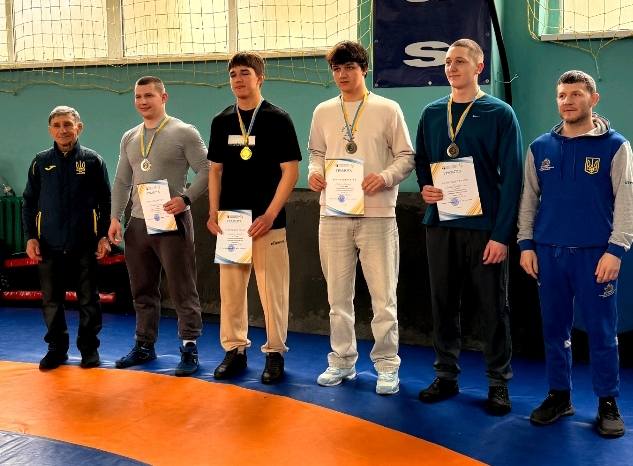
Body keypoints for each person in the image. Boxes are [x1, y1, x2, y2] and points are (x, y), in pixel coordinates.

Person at [518, 70, 632, 437]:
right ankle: (559, 395)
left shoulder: (616, 146)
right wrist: (525, 244)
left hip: (596, 256)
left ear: (593, 99)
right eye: (562, 95)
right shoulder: (540, 148)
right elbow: (528, 200)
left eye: (576, 94)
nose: (568, 101)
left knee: (602, 331)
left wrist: (616, 250)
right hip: (549, 254)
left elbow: (626, 201)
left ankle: (607, 401)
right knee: (554, 329)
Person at [415, 38, 523, 414]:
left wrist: (502, 235)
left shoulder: (500, 113)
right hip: (441, 223)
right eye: (447, 62)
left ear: (478, 67)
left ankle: (498, 381)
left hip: (485, 228)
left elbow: (513, 177)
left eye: (460, 61)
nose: (451, 67)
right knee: (443, 303)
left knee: (493, 307)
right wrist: (426, 188)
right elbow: (422, 162)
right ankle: (446, 374)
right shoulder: (432, 113)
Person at [308, 41, 415, 395]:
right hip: (333, 213)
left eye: (349, 67)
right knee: (337, 298)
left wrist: (384, 177)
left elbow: (406, 156)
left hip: (377, 215)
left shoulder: (387, 109)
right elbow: (316, 153)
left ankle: (387, 365)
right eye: (337, 69)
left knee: (383, 297)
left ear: (364, 69)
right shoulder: (323, 111)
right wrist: (314, 173)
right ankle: (342, 360)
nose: (342, 74)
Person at [207, 52, 301, 384]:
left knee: (273, 291)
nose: (238, 79)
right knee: (231, 291)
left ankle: (275, 352)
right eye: (233, 74)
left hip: (266, 221)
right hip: (231, 222)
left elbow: (291, 171)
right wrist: (213, 212)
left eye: (244, 73)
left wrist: (270, 213)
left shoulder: (278, 118)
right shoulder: (221, 120)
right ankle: (234, 350)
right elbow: (215, 170)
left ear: (260, 78)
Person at [109, 76, 209, 377]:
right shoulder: (130, 137)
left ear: (163, 97)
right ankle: (144, 344)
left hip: (171, 220)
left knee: (181, 287)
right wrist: (115, 217)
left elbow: (207, 170)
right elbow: (122, 181)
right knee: (142, 288)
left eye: (149, 96)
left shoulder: (184, 132)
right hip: (138, 224)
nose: (142, 101)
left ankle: (189, 346)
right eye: (138, 96)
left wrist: (186, 199)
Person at [22, 106, 111, 370]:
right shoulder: (40, 162)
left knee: (88, 299)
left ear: (78, 127)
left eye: (68, 125)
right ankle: (56, 349)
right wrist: (30, 237)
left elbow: (105, 202)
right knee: (51, 300)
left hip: (85, 244)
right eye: (57, 125)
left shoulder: (93, 161)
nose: (63, 130)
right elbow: (29, 202)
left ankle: (89, 350)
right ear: (50, 130)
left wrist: (103, 236)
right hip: (48, 245)